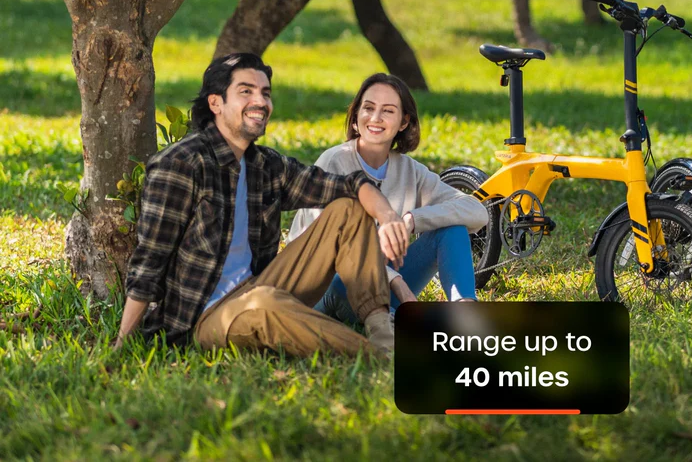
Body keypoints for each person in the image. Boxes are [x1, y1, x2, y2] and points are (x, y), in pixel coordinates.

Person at [116, 54, 409, 357]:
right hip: (202, 319)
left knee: (350, 208)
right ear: (216, 103)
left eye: (265, 93)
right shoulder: (180, 164)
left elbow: (348, 185)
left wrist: (387, 216)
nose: (261, 101)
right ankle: (385, 359)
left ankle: (382, 333)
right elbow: (151, 260)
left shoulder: (266, 165)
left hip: (261, 287)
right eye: (246, 91)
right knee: (266, 304)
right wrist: (123, 344)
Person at [289, 73, 488, 323]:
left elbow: (476, 211)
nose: (375, 118)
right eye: (368, 108)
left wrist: (411, 220)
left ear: (404, 122)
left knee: (451, 230)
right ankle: (392, 320)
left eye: (388, 110)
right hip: (322, 288)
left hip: (381, 290)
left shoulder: (410, 171)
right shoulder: (333, 163)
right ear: (355, 118)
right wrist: (398, 283)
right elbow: (333, 254)